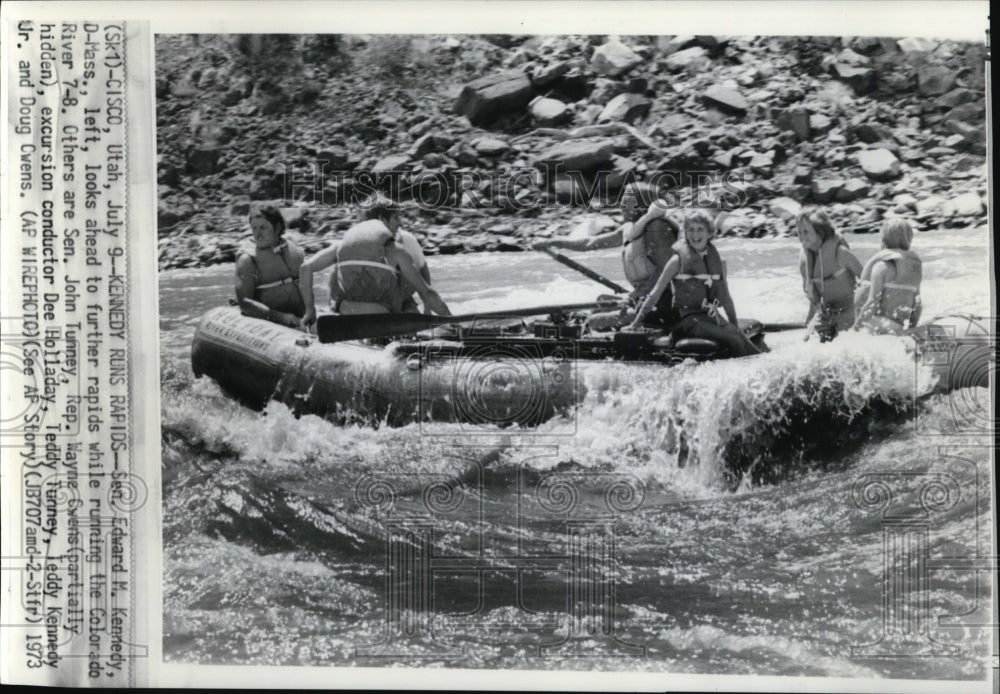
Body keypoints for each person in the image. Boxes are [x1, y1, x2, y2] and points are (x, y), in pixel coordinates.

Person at [626, 210, 760, 357]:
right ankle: (758, 365)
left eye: (700, 229)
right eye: (691, 230)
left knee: (736, 334)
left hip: (710, 318)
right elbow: (655, 294)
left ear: (709, 233)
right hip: (687, 322)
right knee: (733, 337)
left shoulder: (718, 262)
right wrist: (636, 323)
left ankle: (762, 362)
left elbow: (726, 298)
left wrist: (734, 325)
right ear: (685, 233)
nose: (695, 235)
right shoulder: (676, 261)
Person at [533, 196, 681, 330]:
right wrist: (550, 241)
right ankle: (579, 326)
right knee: (601, 301)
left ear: (642, 206)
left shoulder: (657, 227)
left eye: (627, 203)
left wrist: (639, 293)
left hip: (663, 304)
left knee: (595, 321)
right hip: (642, 299)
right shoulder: (629, 229)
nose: (622, 206)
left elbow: (665, 268)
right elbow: (590, 243)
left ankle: (587, 329)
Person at [299, 195, 450, 325]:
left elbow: (306, 268)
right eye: (396, 218)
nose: (401, 223)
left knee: (337, 270)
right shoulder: (397, 251)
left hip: (346, 312)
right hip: (383, 315)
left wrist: (310, 311)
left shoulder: (342, 245)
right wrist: (451, 321)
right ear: (382, 220)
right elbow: (427, 292)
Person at [796, 206, 863, 342]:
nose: (802, 237)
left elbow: (867, 280)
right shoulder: (805, 258)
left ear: (820, 232)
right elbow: (813, 298)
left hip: (849, 309)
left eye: (806, 231)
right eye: (799, 232)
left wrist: (865, 313)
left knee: (841, 346)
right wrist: (809, 322)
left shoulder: (840, 253)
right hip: (826, 311)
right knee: (806, 343)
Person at [234, 205, 306, 328]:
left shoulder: (293, 248)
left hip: (301, 318)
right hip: (271, 324)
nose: (257, 234)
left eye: (263, 228)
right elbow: (245, 303)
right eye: (254, 228)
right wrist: (281, 317)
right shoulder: (247, 260)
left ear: (277, 228)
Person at [853, 217, 922, 334]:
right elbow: (918, 306)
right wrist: (911, 329)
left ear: (884, 240)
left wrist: (856, 327)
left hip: (879, 324)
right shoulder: (914, 269)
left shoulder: (881, 267)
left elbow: (872, 303)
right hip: (899, 326)